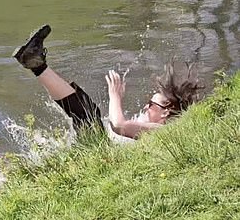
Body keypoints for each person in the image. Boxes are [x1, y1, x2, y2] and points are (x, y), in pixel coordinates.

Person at [12, 25, 201, 139]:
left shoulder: (160, 130)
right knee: (84, 105)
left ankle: (36, 64)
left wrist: (114, 96)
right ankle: (37, 63)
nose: (146, 106)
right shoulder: (156, 128)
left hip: (103, 155)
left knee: (88, 114)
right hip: (103, 150)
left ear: (165, 112)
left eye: (152, 104)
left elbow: (119, 125)